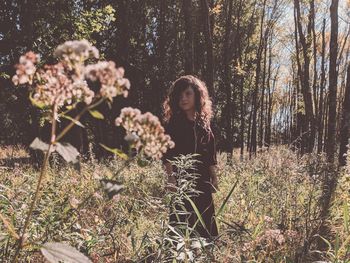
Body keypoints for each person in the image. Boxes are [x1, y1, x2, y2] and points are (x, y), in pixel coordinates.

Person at [161, 75, 219, 239]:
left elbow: (210, 155)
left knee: (205, 218)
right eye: (179, 95)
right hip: (182, 178)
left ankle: (207, 249)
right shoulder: (174, 124)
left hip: (202, 179)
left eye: (188, 94)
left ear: (197, 95)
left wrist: (214, 178)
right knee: (180, 218)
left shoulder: (203, 125)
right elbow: (167, 154)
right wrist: (171, 178)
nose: (183, 98)